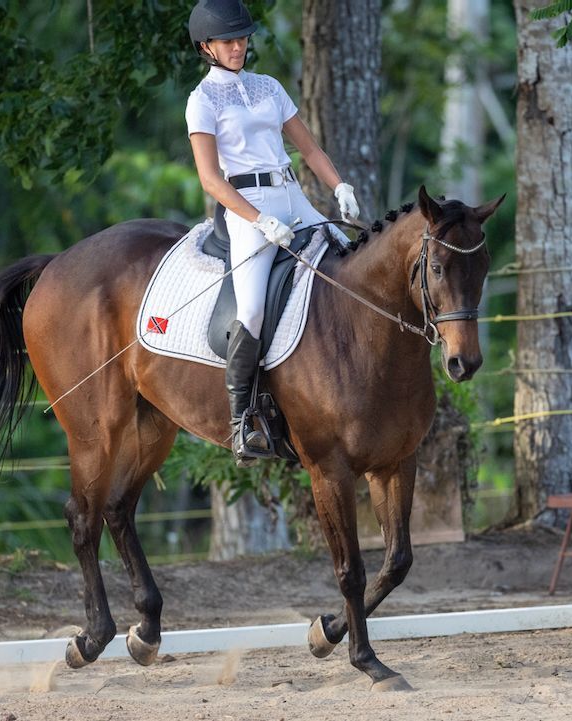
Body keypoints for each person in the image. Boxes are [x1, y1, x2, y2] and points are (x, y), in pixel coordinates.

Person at [186, 0, 361, 466]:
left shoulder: (268, 86)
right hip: (247, 205)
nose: (238, 47)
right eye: (228, 41)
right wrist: (257, 220)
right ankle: (242, 421)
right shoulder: (202, 100)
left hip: (291, 193)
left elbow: (309, 148)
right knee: (252, 309)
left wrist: (339, 185)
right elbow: (210, 179)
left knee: (349, 260)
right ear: (206, 47)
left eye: (242, 38)